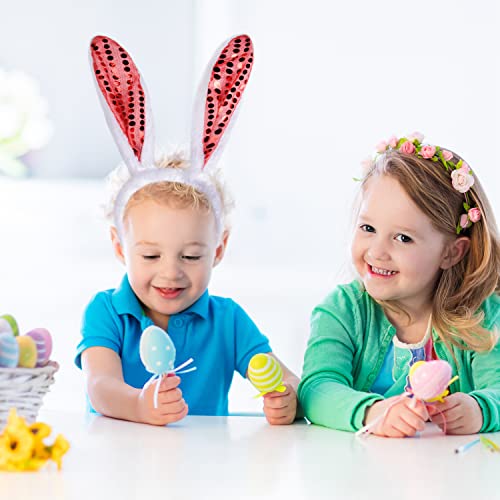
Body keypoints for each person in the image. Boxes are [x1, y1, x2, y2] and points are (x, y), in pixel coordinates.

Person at [75, 34, 299, 426]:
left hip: (205, 461)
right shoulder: (106, 312)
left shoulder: (228, 321)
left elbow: (287, 380)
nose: (170, 272)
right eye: (150, 255)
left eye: (191, 255)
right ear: (119, 247)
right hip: (116, 458)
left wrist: (289, 399)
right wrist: (140, 406)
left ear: (219, 249)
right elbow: (101, 386)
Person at [298, 132, 500, 436]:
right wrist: (372, 413)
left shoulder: (481, 318)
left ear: (451, 252)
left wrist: (479, 409)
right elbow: (317, 388)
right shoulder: (342, 311)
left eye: (403, 238)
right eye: (368, 228)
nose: (377, 251)